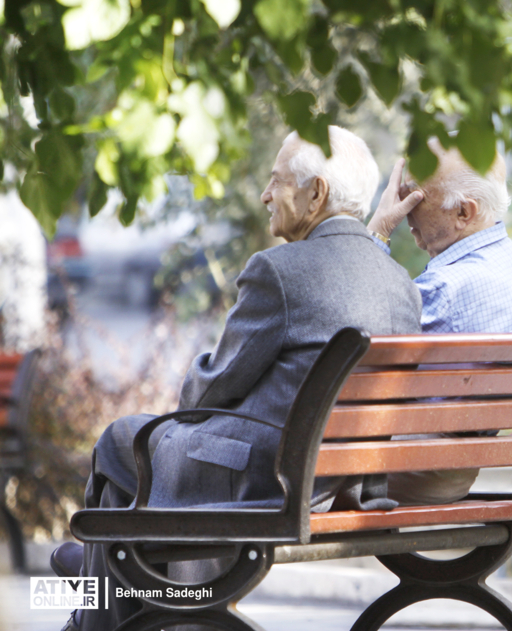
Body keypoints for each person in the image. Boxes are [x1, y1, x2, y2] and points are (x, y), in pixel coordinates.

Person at [55, 127, 422, 631]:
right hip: (341, 478)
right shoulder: (399, 282)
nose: (267, 195)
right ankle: (110, 579)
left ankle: (100, 590)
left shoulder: (281, 270)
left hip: (267, 477)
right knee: (133, 485)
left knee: (121, 439)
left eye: (277, 182)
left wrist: (204, 390)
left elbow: (208, 388)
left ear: (316, 193)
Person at [365, 137, 512, 504]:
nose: (405, 215)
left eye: (415, 199)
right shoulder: (511, 270)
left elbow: (347, 328)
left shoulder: (445, 286)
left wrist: (377, 230)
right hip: (451, 469)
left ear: (465, 212)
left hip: (406, 467)